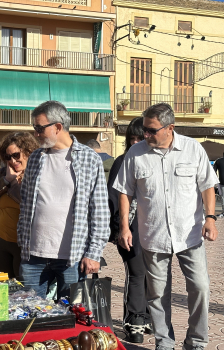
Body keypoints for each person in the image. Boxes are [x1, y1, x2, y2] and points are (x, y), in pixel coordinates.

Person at [113, 103, 218, 350]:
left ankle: (196, 342)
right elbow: (125, 192)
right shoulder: (135, 154)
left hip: (189, 234)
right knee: (158, 294)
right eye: (145, 130)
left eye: (151, 130)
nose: (146, 135)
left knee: (201, 288)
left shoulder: (193, 150)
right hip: (154, 234)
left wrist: (210, 218)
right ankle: (164, 342)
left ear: (170, 128)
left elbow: (207, 186)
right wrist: (125, 227)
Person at [18, 100, 110, 299]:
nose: (36, 133)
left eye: (39, 128)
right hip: (33, 256)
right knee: (28, 314)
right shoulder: (36, 157)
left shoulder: (89, 159)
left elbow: (100, 211)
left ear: (58, 127)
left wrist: (94, 253)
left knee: (72, 316)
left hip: (72, 257)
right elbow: (26, 202)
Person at [107, 117, 151, 343]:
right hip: (127, 229)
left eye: (139, 138)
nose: (135, 143)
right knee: (137, 273)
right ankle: (133, 322)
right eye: (130, 139)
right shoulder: (122, 161)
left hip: (152, 229)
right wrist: (117, 230)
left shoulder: (152, 161)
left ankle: (146, 317)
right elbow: (112, 200)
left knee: (151, 275)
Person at [0, 132, 39, 279]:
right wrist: (6, 180)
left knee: (23, 292)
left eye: (16, 155)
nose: (12, 161)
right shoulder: (4, 173)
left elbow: (31, 204)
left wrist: (13, 184)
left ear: (28, 152)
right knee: (2, 290)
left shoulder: (38, 175)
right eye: (7, 157)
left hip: (24, 246)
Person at [213, 152, 224, 216]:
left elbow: (213, 171)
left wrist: (216, 181)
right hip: (221, 183)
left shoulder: (218, 161)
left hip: (222, 182)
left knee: (222, 198)